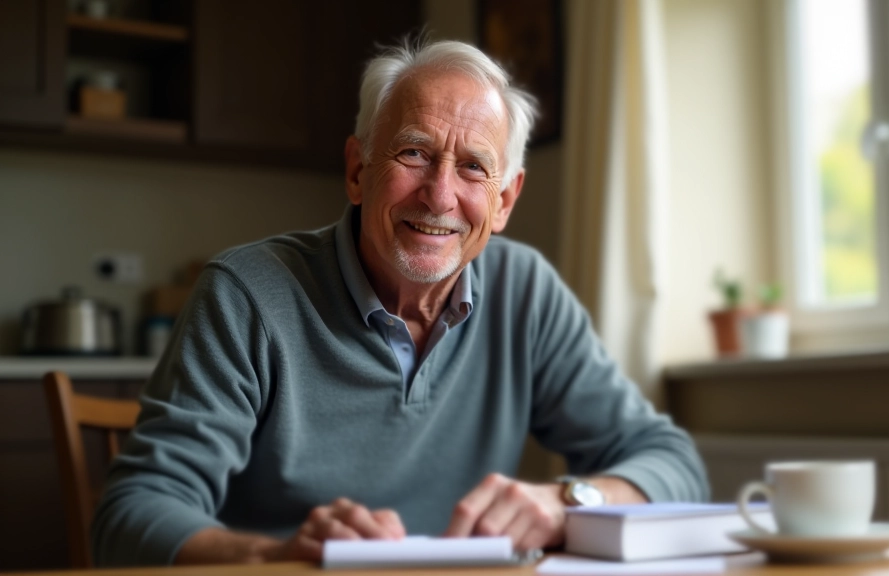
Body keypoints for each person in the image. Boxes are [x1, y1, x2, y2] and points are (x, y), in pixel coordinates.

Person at [91, 39, 708, 567]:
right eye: (413, 152)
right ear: (358, 170)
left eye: (473, 167)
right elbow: (129, 516)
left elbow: (674, 464)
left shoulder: (527, 291)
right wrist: (273, 558)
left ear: (504, 202)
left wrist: (566, 500)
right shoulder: (247, 292)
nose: (440, 194)